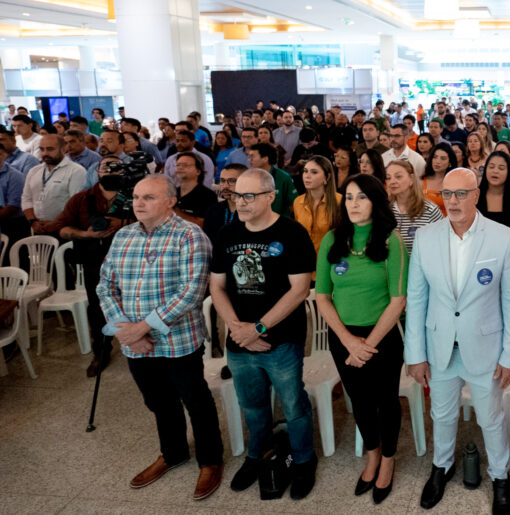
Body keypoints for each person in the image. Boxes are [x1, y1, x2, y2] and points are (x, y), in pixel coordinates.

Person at [404, 168, 510, 515]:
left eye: (460, 194)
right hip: (439, 345)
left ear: (476, 195)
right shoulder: (426, 238)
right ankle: (441, 467)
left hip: (485, 347)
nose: (452, 201)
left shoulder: (503, 238)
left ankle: (500, 476)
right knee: (441, 414)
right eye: (446, 194)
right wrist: (415, 353)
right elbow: (416, 298)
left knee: (491, 417)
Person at [95, 175, 223, 500]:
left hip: (178, 340)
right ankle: (173, 452)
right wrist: (126, 330)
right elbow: (104, 286)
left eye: (149, 197)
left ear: (170, 201)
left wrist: (142, 328)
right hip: (135, 344)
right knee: (158, 402)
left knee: (196, 401)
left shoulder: (191, 236)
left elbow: (191, 292)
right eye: (136, 197)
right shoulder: (123, 236)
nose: (138, 203)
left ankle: (210, 460)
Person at [209, 168, 319, 500]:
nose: (240, 202)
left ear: (270, 196)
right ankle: (259, 452)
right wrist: (238, 329)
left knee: (293, 403)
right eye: (236, 195)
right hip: (240, 341)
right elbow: (217, 287)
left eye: (249, 196)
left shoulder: (292, 233)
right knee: (252, 404)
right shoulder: (227, 235)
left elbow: (299, 290)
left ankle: (303, 459)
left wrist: (258, 328)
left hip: (280, 339)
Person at [315, 173, 408, 504]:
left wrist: (366, 344)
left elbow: (398, 299)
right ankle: (372, 452)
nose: (354, 204)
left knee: (385, 401)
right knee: (360, 401)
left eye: (362, 197)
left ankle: (388, 459)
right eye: (349, 197)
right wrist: (349, 342)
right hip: (342, 337)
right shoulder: (332, 240)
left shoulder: (390, 240)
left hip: (382, 337)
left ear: (376, 202)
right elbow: (322, 296)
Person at [51, 156, 134, 376]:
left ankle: (142, 346)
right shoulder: (81, 199)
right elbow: (60, 228)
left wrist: (123, 223)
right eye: (105, 166)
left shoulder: (135, 196)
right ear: (96, 172)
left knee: (137, 307)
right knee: (97, 310)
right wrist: (84, 234)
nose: (110, 170)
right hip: (94, 265)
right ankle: (101, 351)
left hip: (132, 265)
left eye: (115, 166)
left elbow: (156, 223)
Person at [22, 134, 87, 235]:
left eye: (50, 149)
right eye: (42, 149)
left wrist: (55, 223)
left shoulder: (76, 171)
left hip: (64, 228)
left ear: (64, 149)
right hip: (37, 227)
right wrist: (33, 221)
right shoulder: (34, 171)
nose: (45, 153)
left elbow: (75, 205)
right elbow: (26, 198)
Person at [477, 151, 510, 267]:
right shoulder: (475, 198)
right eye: (491, 167)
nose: (495, 171)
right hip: (479, 259)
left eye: (501, 168)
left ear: (508, 172)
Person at [387, 159, 443, 255]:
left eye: (398, 177)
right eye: (388, 178)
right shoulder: (385, 210)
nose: (392, 181)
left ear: (411, 179)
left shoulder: (430, 211)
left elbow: (442, 246)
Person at [293, 155, 342, 253]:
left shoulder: (340, 201)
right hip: (304, 261)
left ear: (327, 177)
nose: (307, 176)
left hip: (330, 260)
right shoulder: (298, 202)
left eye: (314, 172)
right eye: (305, 171)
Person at [246, 142, 297, 218]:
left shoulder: (284, 177)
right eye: (249, 157)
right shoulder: (248, 178)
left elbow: (294, 204)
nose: (249, 160)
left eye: (252, 157)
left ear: (265, 159)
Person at [202, 162, 246, 242]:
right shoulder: (213, 210)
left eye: (232, 181)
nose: (225, 186)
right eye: (222, 181)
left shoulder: (252, 211)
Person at [173, 152, 218, 226]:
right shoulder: (171, 193)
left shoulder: (208, 196)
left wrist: (175, 213)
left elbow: (206, 225)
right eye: (178, 165)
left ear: (198, 171)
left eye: (185, 165)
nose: (180, 167)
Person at [422, 141, 456, 216]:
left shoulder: (454, 184)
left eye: (443, 158)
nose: (437, 161)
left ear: (450, 163)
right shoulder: (420, 181)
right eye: (435, 157)